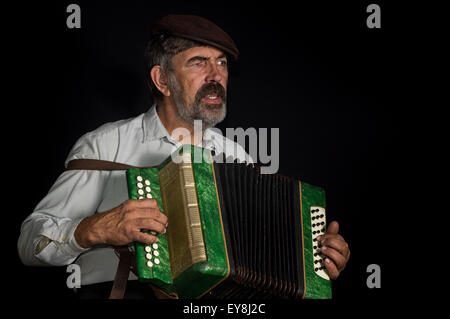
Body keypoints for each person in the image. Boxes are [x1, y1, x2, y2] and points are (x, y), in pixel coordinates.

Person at [17, 14, 350, 298]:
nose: (216, 75)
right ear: (162, 79)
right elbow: (29, 241)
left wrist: (314, 259)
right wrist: (91, 230)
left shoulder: (236, 154)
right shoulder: (105, 144)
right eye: (198, 62)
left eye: (221, 63)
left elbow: (261, 255)